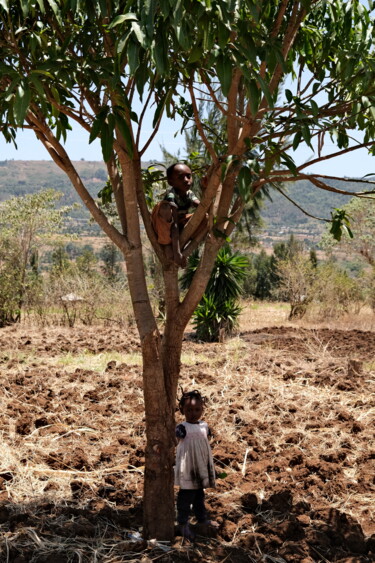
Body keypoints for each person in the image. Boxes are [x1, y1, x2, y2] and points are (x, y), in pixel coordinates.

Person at [174, 390, 216, 540]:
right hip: (188, 468)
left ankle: (202, 519)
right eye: (189, 410)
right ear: (182, 410)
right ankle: (182, 523)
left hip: (200, 467)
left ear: (202, 409)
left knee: (199, 494)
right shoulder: (182, 428)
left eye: (197, 409)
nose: (193, 413)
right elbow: (175, 439)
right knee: (185, 496)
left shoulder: (204, 426)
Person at [151, 163, 206, 268]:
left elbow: (202, 207)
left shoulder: (189, 193)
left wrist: (205, 190)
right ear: (171, 182)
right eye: (181, 177)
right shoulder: (171, 195)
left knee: (206, 217)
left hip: (179, 225)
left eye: (188, 176)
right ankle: (166, 244)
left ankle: (185, 241)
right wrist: (177, 253)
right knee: (164, 207)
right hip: (167, 226)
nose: (186, 180)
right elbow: (174, 224)